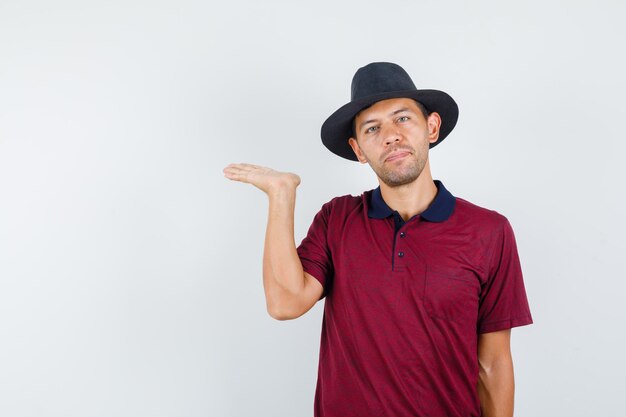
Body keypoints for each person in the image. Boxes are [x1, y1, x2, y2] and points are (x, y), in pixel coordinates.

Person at [223, 62, 533, 417]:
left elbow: (492, 364)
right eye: (373, 128)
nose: (390, 135)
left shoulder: (488, 231)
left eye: (403, 119)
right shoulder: (336, 219)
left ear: (431, 127)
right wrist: (281, 196)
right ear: (358, 149)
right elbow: (284, 303)